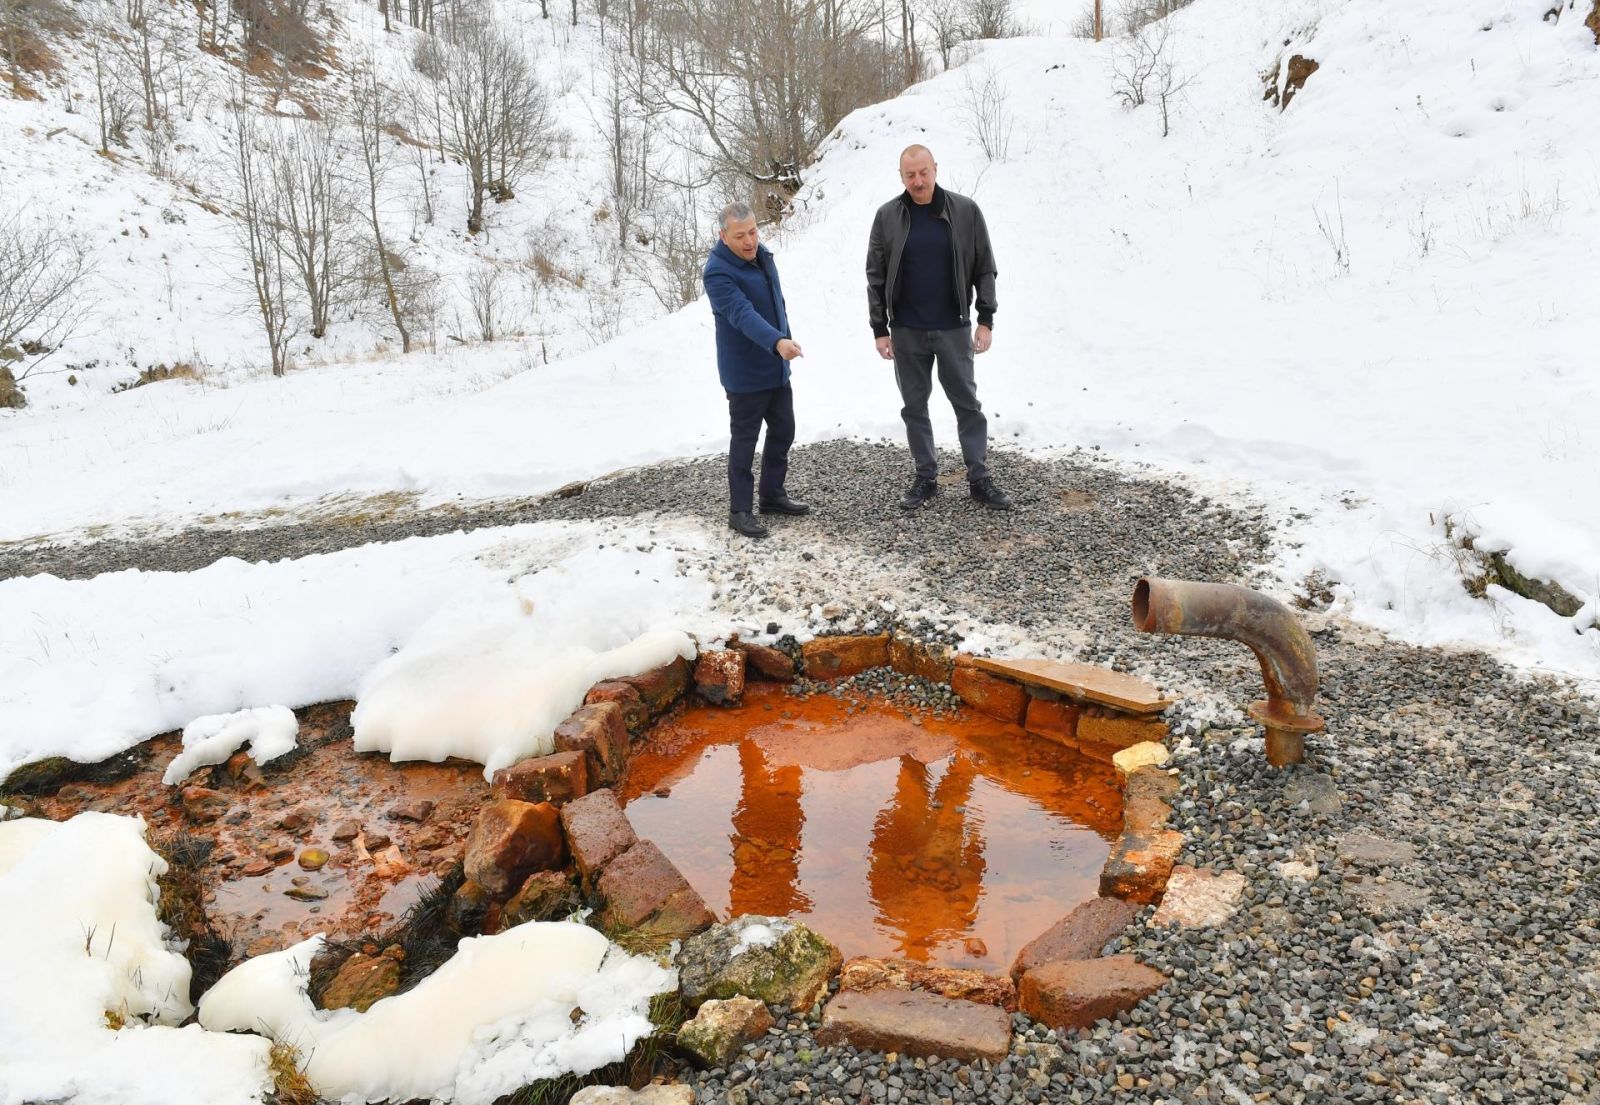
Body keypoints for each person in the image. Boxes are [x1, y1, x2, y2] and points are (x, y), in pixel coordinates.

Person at [866, 145, 1012, 511]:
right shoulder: (887, 217)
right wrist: (879, 328)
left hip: (953, 327)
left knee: (967, 404)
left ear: (935, 169)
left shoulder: (965, 211)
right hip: (906, 330)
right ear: (901, 177)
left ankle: (979, 478)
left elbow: (985, 268)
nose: (918, 181)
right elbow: (876, 276)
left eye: (923, 172)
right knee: (914, 407)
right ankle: (925, 477)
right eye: (910, 175)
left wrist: (986, 319)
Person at [703, 202, 809, 538]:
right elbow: (742, 314)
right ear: (723, 236)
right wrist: (778, 342)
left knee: (783, 431)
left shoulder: (761, 255)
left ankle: (772, 495)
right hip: (746, 374)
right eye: (740, 236)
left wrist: (782, 340)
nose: (750, 241)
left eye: (752, 232)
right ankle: (740, 510)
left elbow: (776, 303)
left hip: (776, 367)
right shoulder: (717, 272)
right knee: (745, 442)